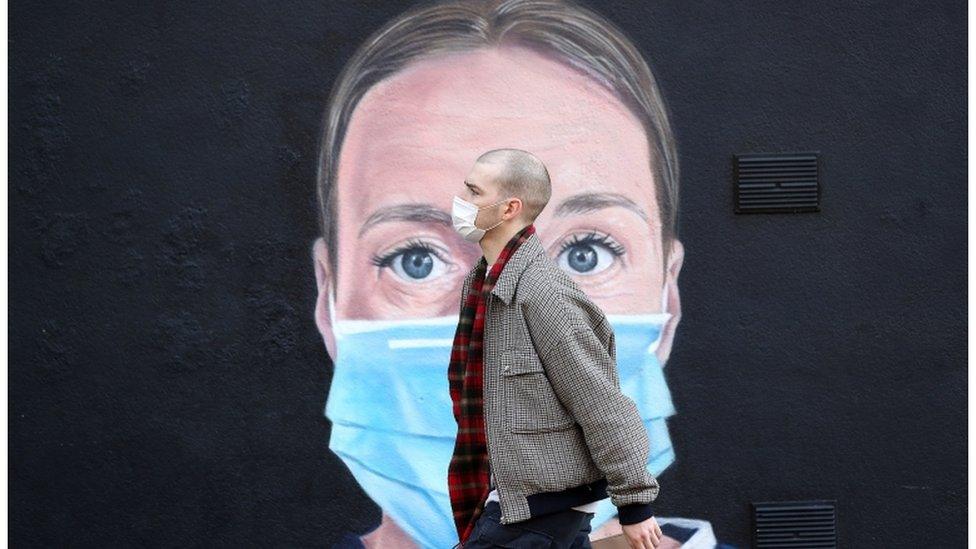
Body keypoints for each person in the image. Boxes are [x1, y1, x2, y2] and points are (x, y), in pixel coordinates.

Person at [446, 149, 664, 549]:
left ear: (510, 207)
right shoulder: (484, 285)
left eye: (474, 192)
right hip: (518, 502)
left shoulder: (543, 293)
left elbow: (601, 402)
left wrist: (635, 505)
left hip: (542, 510)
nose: (461, 199)